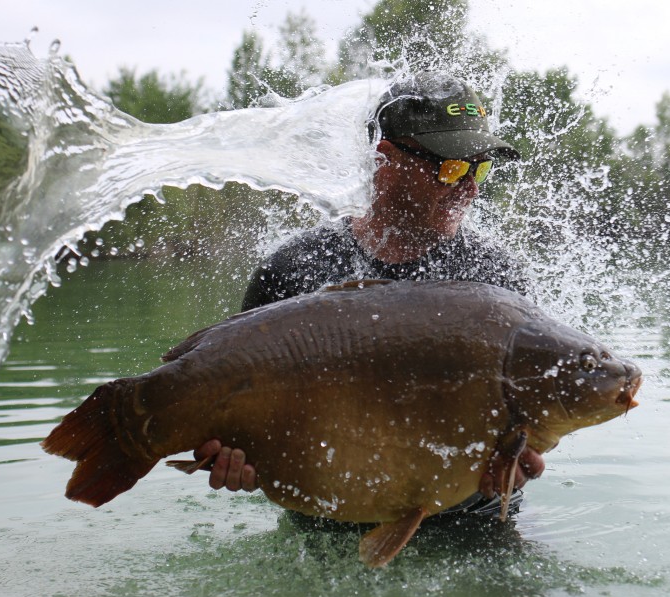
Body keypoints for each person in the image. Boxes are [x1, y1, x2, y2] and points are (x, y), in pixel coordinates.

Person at [194, 71, 545, 517]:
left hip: (470, 524)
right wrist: (233, 454)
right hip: (326, 528)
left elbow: (528, 420)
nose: (469, 186)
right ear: (386, 160)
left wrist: (523, 455)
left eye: (480, 167)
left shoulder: (496, 281)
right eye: (452, 167)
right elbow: (238, 414)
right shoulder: (292, 272)